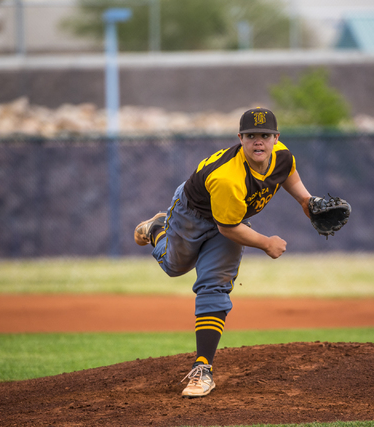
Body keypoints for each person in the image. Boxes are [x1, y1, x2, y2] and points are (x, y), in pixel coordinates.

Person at [134, 107, 314, 398]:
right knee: (174, 267)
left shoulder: (282, 155)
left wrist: (305, 200)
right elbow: (228, 227)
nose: (259, 142)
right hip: (192, 215)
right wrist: (267, 243)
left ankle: (203, 369)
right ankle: (157, 229)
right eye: (252, 136)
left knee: (213, 286)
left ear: (276, 138)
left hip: (231, 220)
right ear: (240, 138)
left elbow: (287, 173)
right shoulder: (228, 178)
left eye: (265, 136)